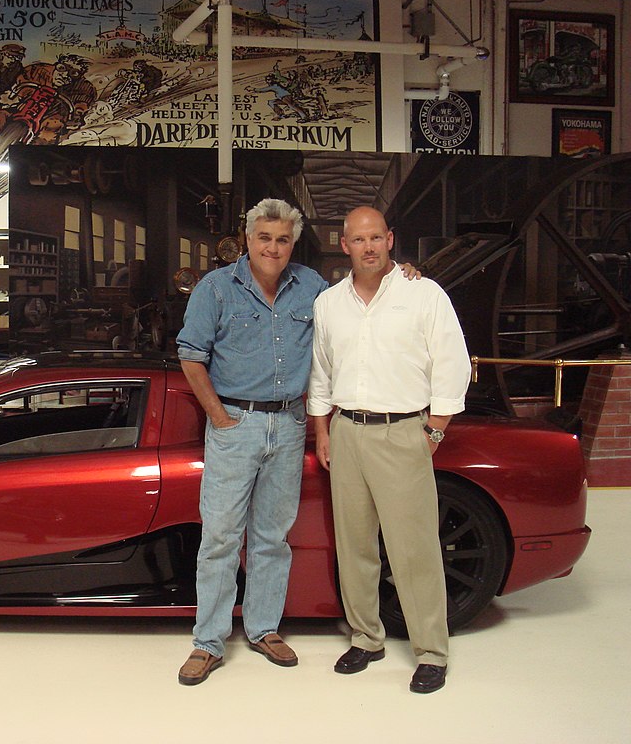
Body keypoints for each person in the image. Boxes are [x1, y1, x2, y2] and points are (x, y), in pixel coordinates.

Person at [307, 205, 470, 695]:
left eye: (377, 237)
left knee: (413, 549)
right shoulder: (329, 303)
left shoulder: (423, 294)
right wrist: (322, 431)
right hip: (347, 432)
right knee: (355, 545)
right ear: (345, 245)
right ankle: (366, 638)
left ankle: (432, 651)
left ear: (391, 239)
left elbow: (451, 361)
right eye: (359, 240)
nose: (369, 247)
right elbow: (321, 371)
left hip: (403, 432)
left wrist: (435, 428)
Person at [174, 198, 326, 685]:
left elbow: (359, 309)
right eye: (265, 237)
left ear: (293, 243)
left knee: (272, 537)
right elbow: (191, 357)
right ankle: (208, 641)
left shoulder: (313, 289)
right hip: (235, 424)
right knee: (219, 536)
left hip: (288, 425)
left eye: (283, 239)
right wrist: (219, 417)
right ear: (247, 238)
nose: (273, 248)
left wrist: (400, 273)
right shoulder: (216, 289)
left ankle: (263, 628)